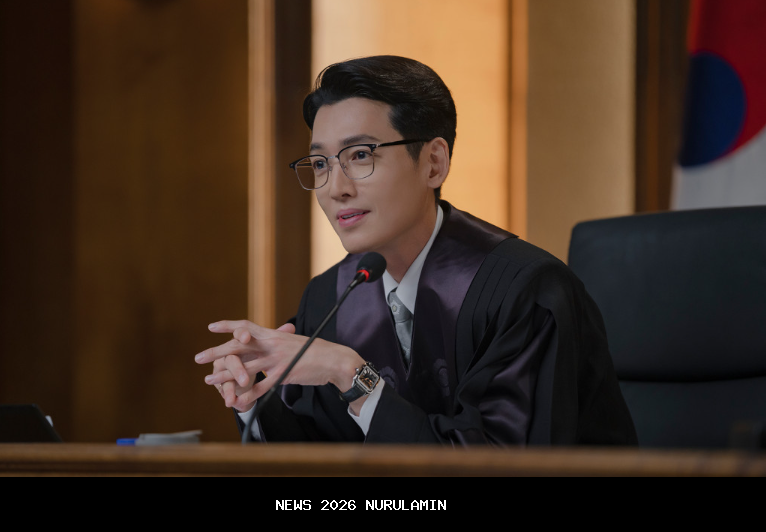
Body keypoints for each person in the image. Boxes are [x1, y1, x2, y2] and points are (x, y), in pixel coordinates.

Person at [195, 55, 637, 446]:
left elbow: (504, 463)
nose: (335, 188)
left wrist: (353, 376)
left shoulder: (525, 293)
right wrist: (254, 400)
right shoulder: (330, 297)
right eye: (322, 163)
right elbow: (320, 452)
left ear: (433, 163)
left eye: (360, 155)